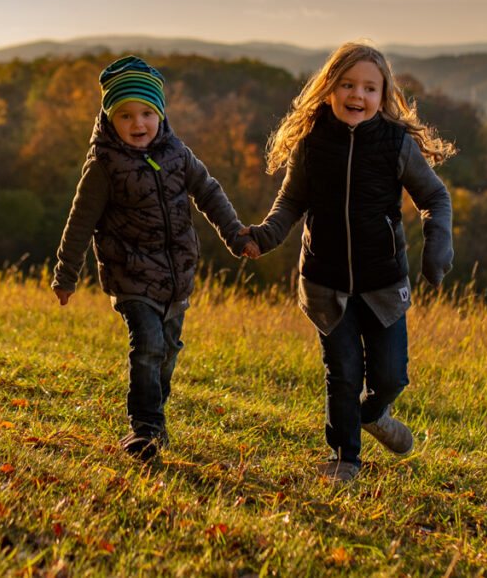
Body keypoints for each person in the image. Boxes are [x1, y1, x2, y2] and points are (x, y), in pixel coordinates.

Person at [244, 41, 455, 483]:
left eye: (369, 88)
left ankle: (374, 413)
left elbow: (434, 196)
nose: (357, 95)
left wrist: (437, 247)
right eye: (347, 84)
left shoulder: (394, 143)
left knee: (391, 377)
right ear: (328, 89)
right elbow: (290, 202)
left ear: (383, 96)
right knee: (341, 373)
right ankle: (345, 459)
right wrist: (263, 237)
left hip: (382, 283)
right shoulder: (312, 143)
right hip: (325, 282)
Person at [52, 55, 256, 461]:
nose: (138, 124)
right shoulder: (103, 166)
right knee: (147, 345)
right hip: (129, 275)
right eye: (125, 115)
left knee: (168, 349)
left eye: (147, 113)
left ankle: (154, 412)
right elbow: (80, 221)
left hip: (176, 275)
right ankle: (144, 428)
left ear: (161, 114)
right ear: (110, 119)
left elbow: (209, 193)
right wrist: (66, 273)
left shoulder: (179, 154)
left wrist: (235, 234)